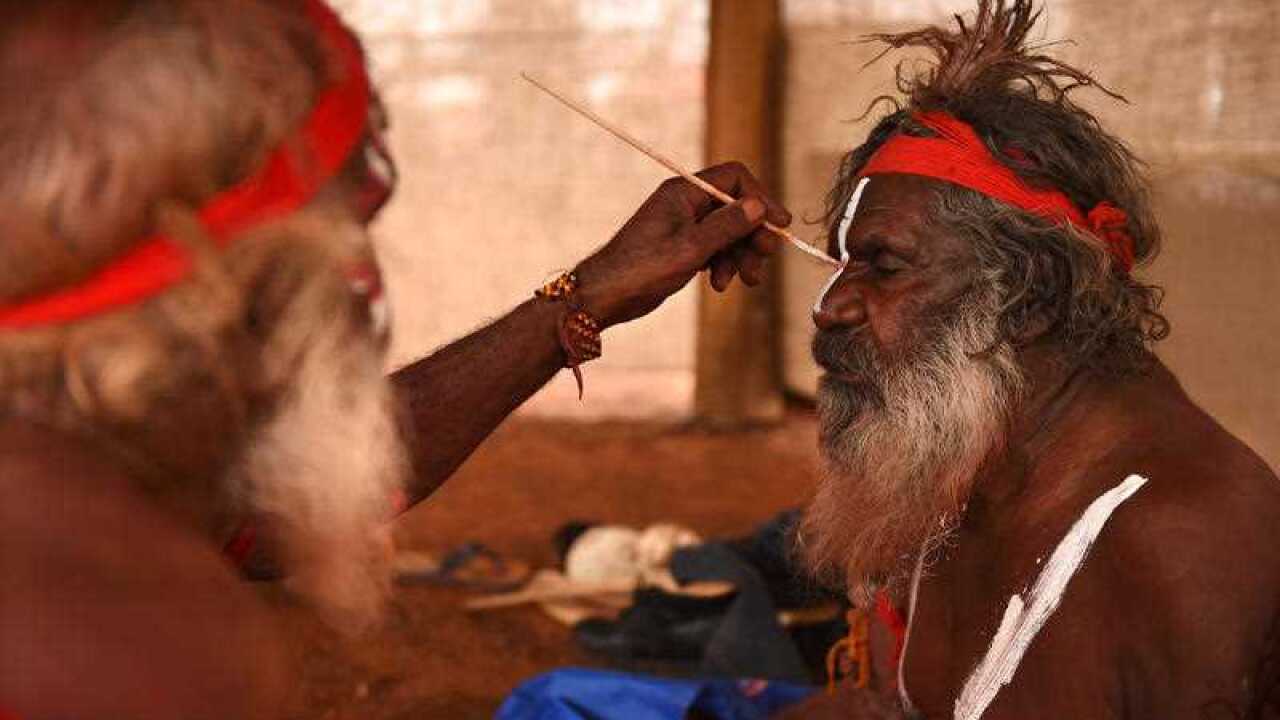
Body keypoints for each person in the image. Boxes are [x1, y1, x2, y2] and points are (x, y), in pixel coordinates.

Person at [0, 1, 791, 717]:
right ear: (236, 270)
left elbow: (269, 514)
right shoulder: (118, 648)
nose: (363, 277)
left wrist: (583, 298)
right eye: (348, 223)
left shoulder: (106, 481)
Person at [779, 1, 1280, 718]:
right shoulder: (945, 465)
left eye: (883, 266)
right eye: (840, 264)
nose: (830, 306)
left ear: (1032, 297)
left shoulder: (1183, 534)